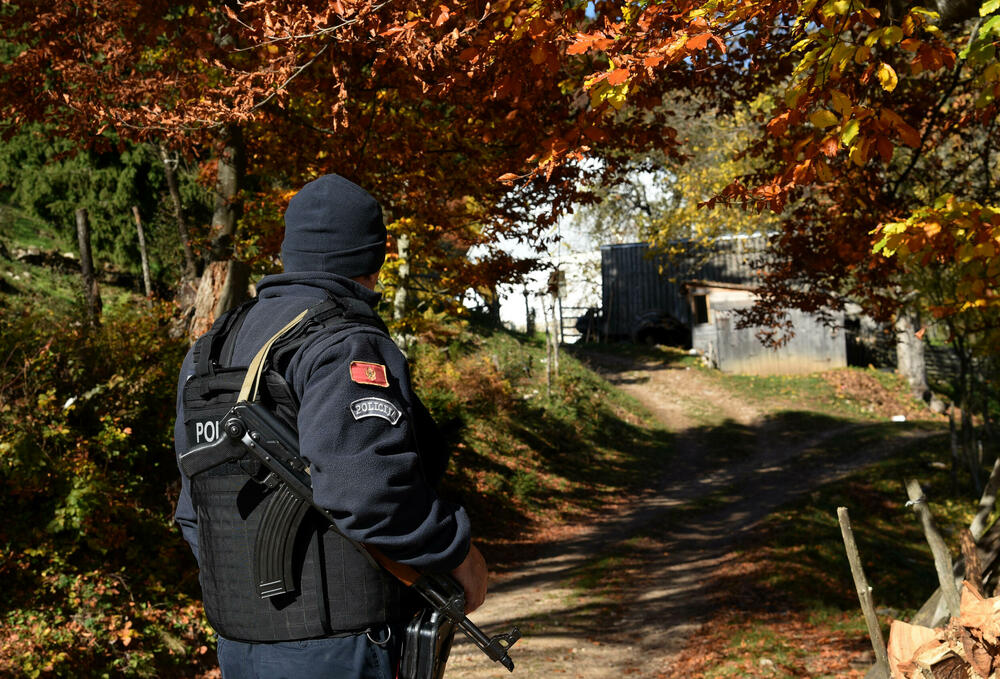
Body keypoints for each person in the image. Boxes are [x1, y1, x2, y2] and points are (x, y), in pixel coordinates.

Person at [173, 174, 488, 679]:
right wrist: (458, 552)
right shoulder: (345, 343)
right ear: (374, 258)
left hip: (240, 643)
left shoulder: (212, 347)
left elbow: (194, 505)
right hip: (340, 645)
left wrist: (254, 598)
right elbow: (368, 496)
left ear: (290, 251)